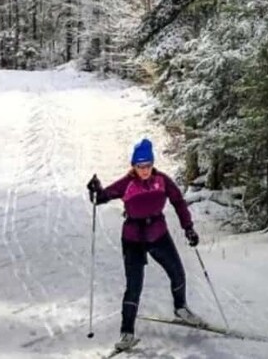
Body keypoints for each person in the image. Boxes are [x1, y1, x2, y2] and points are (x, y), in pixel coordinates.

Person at [87, 138, 203, 351]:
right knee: (134, 286)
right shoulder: (127, 183)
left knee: (177, 273)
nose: (144, 170)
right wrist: (95, 189)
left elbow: (178, 201)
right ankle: (127, 332)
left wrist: (188, 227)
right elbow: (102, 197)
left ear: (152, 164)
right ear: (134, 165)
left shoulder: (162, 181)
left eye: (148, 165)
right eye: (140, 166)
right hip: (133, 238)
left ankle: (181, 309)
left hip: (158, 233)